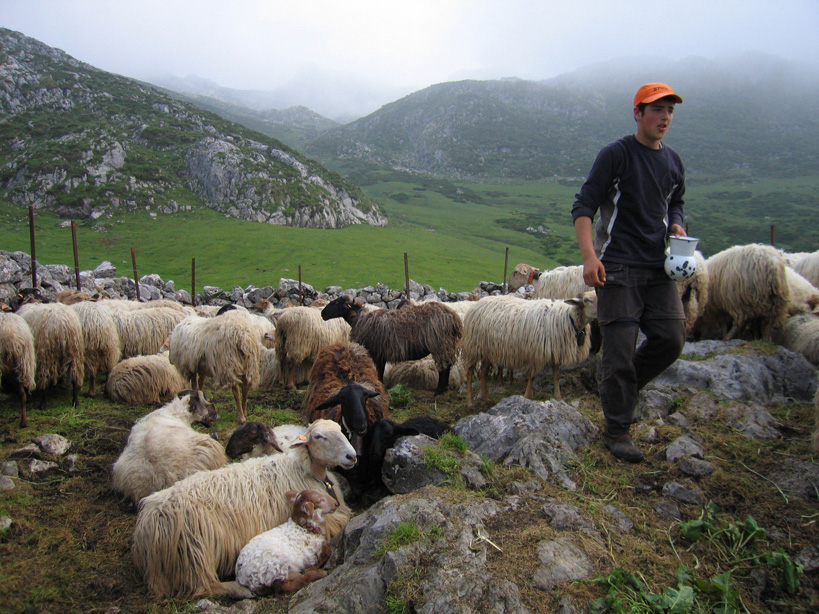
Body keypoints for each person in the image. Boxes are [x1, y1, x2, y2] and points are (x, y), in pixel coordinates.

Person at [571, 82, 688, 462]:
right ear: (638, 114)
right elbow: (584, 206)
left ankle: (620, 390)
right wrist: (591, 257)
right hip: (618, 265)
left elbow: (677, 202)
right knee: (618, 352)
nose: (664, 117)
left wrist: (676, 224)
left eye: (669, 110)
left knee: (671, 338)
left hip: (658, 267)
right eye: (656, 110)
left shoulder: (673, 162)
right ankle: (617, 429)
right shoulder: (616, 155)